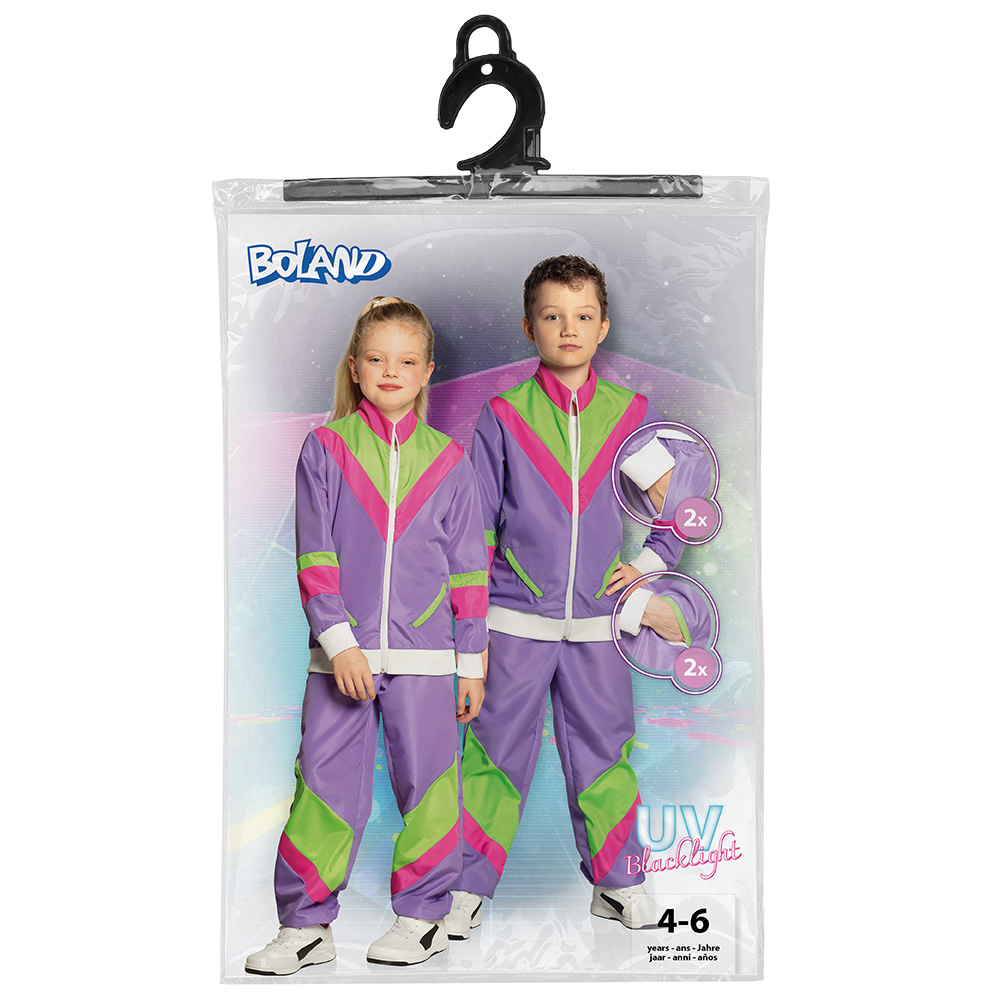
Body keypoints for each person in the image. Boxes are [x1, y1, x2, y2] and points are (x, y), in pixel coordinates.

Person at [445, 256, 711, 938]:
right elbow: (474, 531)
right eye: (553, 315)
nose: (569, 328)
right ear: (529, 327)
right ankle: (464, 891)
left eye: (583, 315)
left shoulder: (631, 416)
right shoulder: (504, 417)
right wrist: (469, 634)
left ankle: (619, 884)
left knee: (605, 755)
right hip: (514, 622)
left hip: (600, 626)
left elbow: (676, 503)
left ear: (603, 327)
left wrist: (649, 563)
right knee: (492, 758)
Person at [245, 297, 489, 975]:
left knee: (431, 789)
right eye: (377, 359)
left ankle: (424, 919)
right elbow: (314, 555)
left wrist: (471, 663)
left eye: (406, 361)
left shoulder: (451, 462)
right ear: (354, 368)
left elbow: (470, 569)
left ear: (427, 372)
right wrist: (339, 643)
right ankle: (306, 927)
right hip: (341, 661)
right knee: (323, 788)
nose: (390, 371)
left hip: (429, 658)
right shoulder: (325, 449)